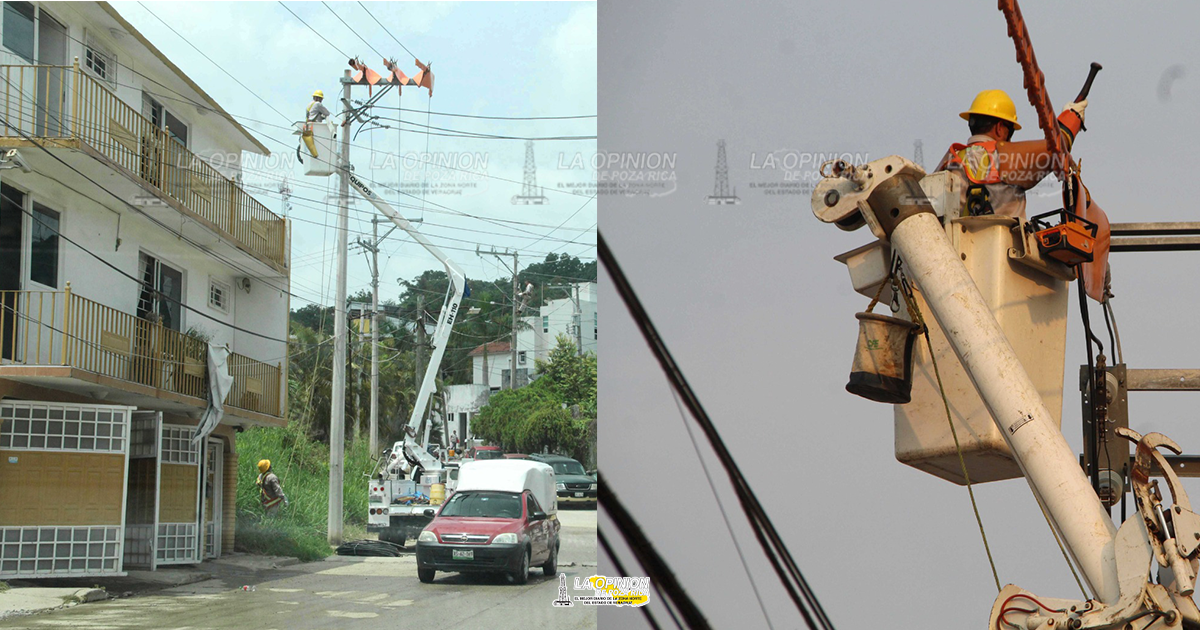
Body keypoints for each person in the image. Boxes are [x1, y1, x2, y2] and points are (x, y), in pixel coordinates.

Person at [935, 89, 1087, 219]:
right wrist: (1072, 117)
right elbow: (1057, 147)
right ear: (1000, 128)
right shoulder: (1007, 158)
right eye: (1010, 130)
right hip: (1003, 250)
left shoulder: (948, 162)